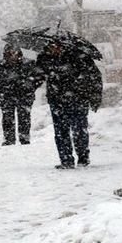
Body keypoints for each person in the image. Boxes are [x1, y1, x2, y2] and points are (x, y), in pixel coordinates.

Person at [35, 41, 103, 169]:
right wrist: (27, 87)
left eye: (56, 46)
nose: (54, 49)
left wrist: (95, 96)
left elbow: (94, 76)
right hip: (56, 100)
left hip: (78, 99)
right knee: (61, 131)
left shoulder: (78, 56)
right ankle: (66, 160)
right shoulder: (45, 58)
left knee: (79, 129)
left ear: (63, 46)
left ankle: (83, 157)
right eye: (51, 46)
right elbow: (36, 76)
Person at [0, 44, 40, 146]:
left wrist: (31, 86)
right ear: (5, 54)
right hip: (6, 96)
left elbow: (38, 77)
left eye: (14, 52)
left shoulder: (29, 64)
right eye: (10, 53)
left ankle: (24, 138)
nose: (12, 55)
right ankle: (9, 139)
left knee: (24, 117)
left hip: (24, 95)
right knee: (7, 118)